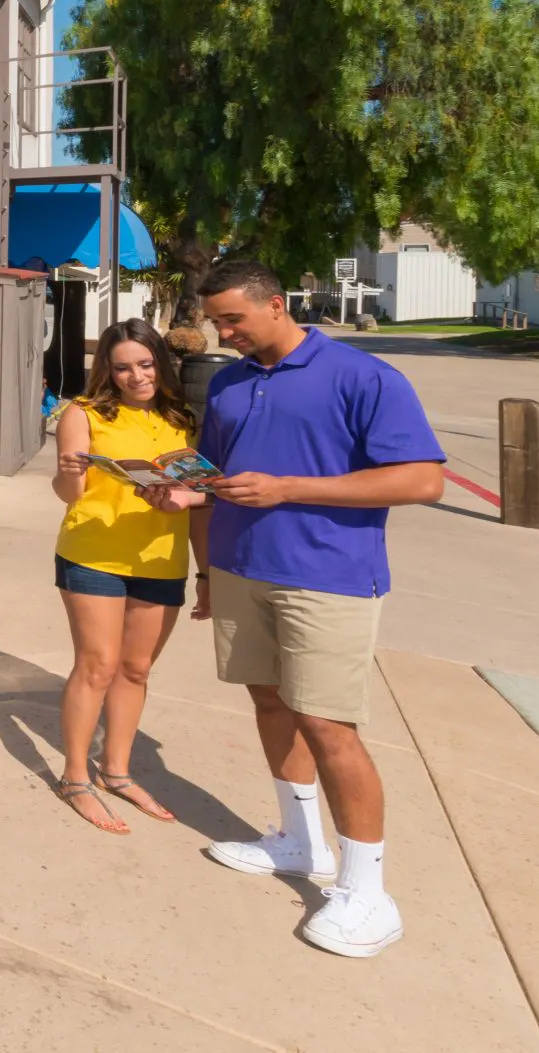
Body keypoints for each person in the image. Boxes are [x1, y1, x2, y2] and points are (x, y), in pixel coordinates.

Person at [142, 261, 445, 960]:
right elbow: (215, 478)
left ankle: (368, 891)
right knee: (271, 703)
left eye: (233, 319)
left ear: (276, 304)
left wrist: (289, 488)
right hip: (241, 568)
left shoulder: (364, 377)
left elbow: (423, 479)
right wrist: (185, 498)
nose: (223, 333)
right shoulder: (230, 382)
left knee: (329, 725)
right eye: (216, 321)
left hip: (326, 577)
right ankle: (298, 840)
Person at [48, 318, 201, 833]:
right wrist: (69, 473)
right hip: (94, 554)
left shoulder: (181, 417)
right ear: (107, 372)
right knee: (97, 665)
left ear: (161, 362)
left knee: (135, 670)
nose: (137, 376)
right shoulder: (84, 412)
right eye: (123, 368)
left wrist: (205, 569)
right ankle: (75, 778)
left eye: (146, 364)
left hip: (161, 558)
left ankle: (116, 772)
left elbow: (199, 497)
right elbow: (69, 495)